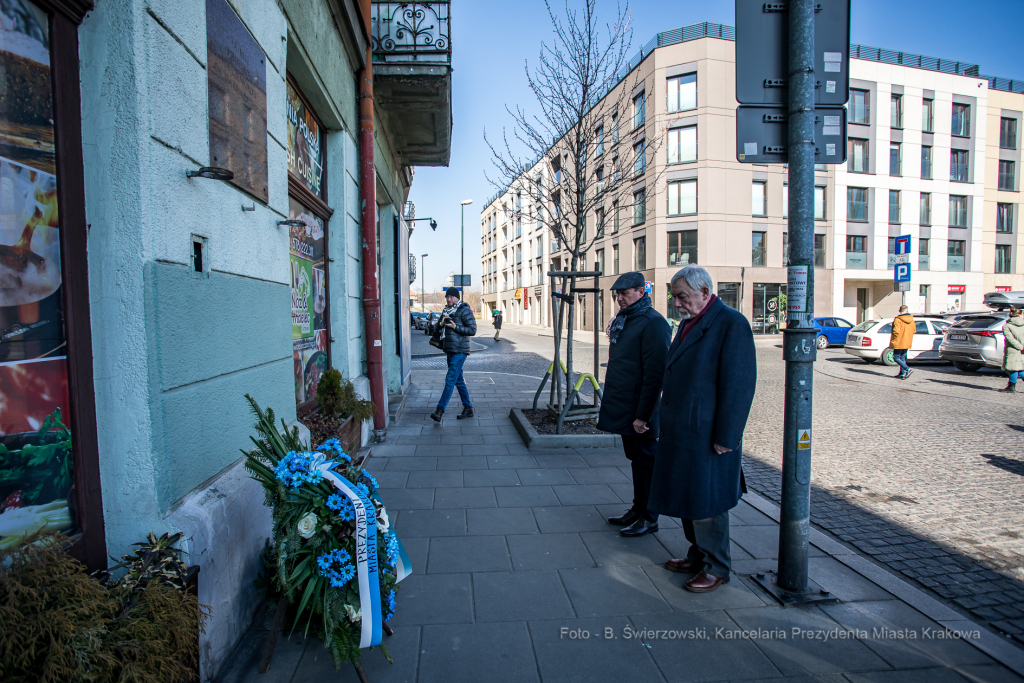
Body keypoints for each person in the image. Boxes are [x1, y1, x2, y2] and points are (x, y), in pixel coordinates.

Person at [649, 265, 756, 593]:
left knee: (708, 502)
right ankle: (698, 555)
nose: (678, 304)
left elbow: (739, 386)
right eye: (675, 297)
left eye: (682, 297)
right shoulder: (688, 323)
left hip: (708, 435)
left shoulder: (731, 324)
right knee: (688, 496)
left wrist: (727, 436)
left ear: (705, 293)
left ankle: (717, 566)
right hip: (683, 431)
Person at [596, 272, 671, 537]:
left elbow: (656, 375)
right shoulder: (626, 319)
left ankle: (650, 517)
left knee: (647, 462)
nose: (619, 298)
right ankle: (638, 509)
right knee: (636, 461)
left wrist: (644, 416)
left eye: (624, 294)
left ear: (641, 292)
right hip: (625, 406)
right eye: (617, 294)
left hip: (641, 410)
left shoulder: (653, 323)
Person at [431, 287, 477, 421]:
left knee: (450, 380)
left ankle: (440, 410)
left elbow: (472, 330)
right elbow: (437, 328)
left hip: (460, 351)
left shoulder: (464, 310)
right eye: (447, 297)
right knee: (458, 380)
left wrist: (455, 327)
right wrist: (441, 322)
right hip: (449, 350)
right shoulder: (446, 311)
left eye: (451, 297)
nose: (449, 299)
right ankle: (468, 408)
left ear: (457, 297)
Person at [999, 307, 1024, 393]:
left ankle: (1011, 387)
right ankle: (1011, 386)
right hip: (1023, 349)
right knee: (1020, 368)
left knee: (1013, 368)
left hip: (1013, 349)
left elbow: (1010, 339)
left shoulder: (1007, 325)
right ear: (1021, 314)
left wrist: (1020, 346)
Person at [890, 305, 915, 379]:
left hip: (899, 341)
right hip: (907, 341)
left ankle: (907, 369)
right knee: (903, 357)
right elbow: (914, 330)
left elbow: (896, 331)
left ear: (899, 311)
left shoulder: (898, 319)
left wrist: (893, 339)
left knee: (896, 357)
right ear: (907, 310)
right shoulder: (911, 320)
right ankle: (902, 373)